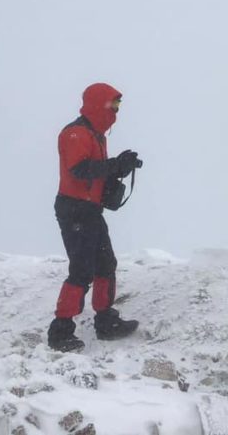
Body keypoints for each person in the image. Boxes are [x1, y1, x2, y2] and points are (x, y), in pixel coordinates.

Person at [47, 82, 143, 352]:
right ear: (98, 103)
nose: (116, 109)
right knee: (82, 269)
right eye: (113, 104)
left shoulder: (97, 136)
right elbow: (80, 170)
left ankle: (106, 321)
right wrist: (115, 166)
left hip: (89, 209)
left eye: (118, 105)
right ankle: (60, 330)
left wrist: (121, 167)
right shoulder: (76, 133)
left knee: (105, 264)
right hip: (74, 209)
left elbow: (96, 173)